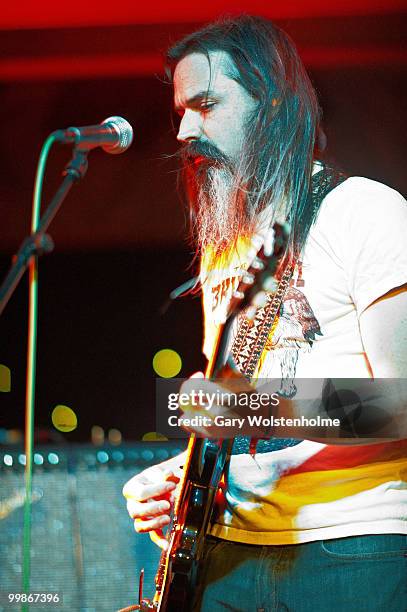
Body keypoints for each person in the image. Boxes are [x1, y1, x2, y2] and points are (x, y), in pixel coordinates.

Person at [123, 15, 407, 612]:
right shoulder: (228, 250)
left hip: (351, 544)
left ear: (272, 103)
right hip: (227, 549)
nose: (184, 131)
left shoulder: (366, 210)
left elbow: (400, 403)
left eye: (206, 103)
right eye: (180, 111)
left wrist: (239, 407)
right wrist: (178, 475)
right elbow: (238, 417)